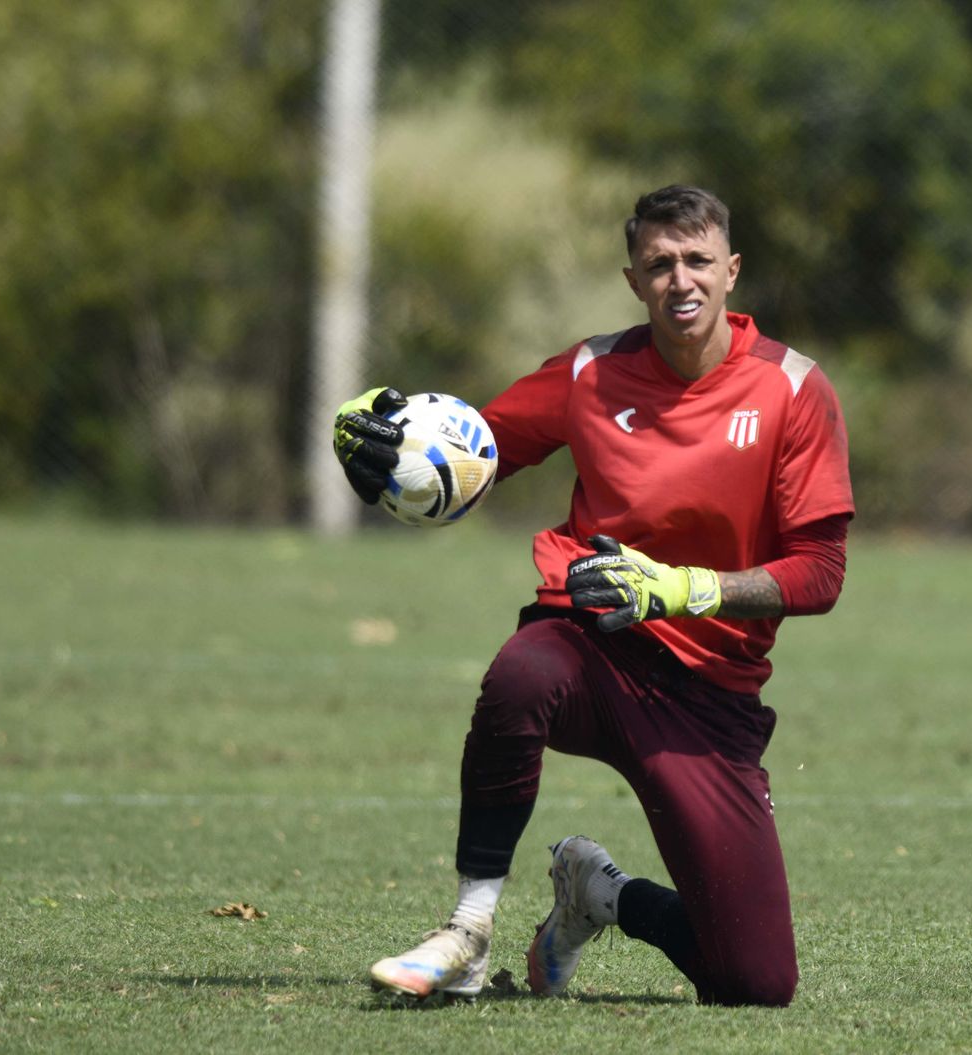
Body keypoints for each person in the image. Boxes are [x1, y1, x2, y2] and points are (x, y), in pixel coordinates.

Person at [332, 184, 854, 1007]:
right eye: (658, 264)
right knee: (520, 677)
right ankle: (467, 932)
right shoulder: (590, 371)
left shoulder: (793, 389)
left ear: (732, 270)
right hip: (595, 639)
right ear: (633, 279)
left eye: (696, 260)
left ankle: (600, 894)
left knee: (754, 982)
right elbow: (479, 448)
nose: (679, 279)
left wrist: (682, 589)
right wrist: (384, 434)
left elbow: (820, 572)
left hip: (710, 695)